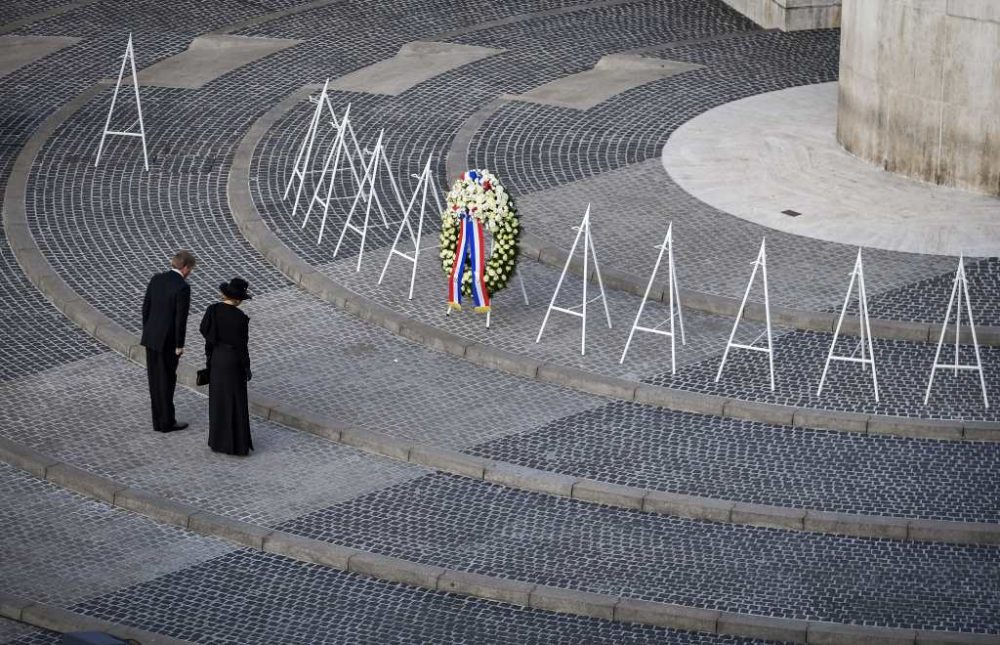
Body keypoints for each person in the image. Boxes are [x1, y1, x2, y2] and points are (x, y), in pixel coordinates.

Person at [141, 250, 196, 433]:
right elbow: (181, 320)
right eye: (191, 269)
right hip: (168, 342)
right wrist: (179, 345)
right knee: (167, 380)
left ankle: (157, 420)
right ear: (186, 267)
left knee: (154, 379)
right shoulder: (182, 287)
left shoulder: (156, 279)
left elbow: (146, 308)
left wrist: (149, 331)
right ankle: (167, 421)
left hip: (151, 338)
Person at [200, 277, 253, 456]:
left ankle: (218, 441)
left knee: (217, 400)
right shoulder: (241, 318)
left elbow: (204, 330)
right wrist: (247, 367)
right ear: (238, 299)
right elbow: (242, 346)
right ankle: (236, 444)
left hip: (216, 359)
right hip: (233, 361)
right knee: (235, 401)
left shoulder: (212, 310)